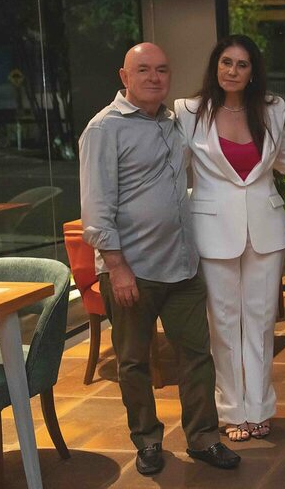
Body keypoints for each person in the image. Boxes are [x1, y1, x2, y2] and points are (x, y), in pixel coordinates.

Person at [79, 43, 240, 476]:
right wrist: (116, 267)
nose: (154, 77)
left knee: (197, 357)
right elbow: (95, 209)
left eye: (162, 70)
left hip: (183, 266)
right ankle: (148, 441)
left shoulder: (173, 123)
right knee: (134, 363)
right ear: (124, 76)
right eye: (143, 70)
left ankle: (204, 438)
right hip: (132, 271)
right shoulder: (104, 128)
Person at [175, 35, 285, 443]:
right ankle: (232, 409)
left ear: (253, 72)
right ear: (215, 66)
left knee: (261, 321)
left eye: (242, 64)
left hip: (265, 230)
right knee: (222, 323)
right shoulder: (188, 111)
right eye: (226, 62)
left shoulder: (272, 108)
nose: (232, 71)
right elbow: (174, 167)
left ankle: (259, 407)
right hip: (212, 230)